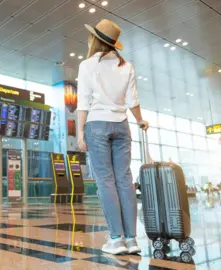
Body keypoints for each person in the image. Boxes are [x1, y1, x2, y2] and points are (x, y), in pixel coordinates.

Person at [77, 19, 148, 255]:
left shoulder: (87, 64)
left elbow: (83, 102)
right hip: (121, 126)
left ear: (95, 40)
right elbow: (133, 100)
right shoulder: (126, 65)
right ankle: (131, 239)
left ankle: (116, 239)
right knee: (124, 181)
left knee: (105, 181)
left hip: (96, 125)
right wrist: (140, 120)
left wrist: (79, 133)